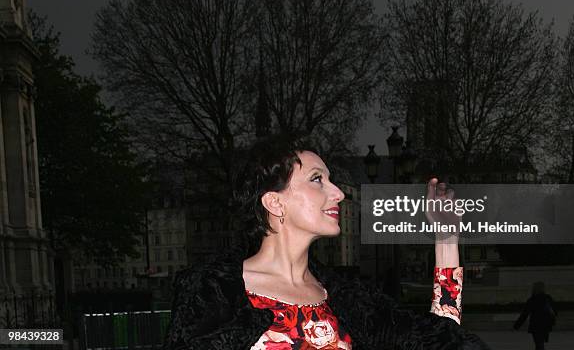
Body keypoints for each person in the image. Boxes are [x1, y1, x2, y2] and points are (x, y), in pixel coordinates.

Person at [163, 137, 490, 349]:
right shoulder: (215, 293)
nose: (338, 193)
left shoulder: (348, 300)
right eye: (318, 179)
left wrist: (446, 239)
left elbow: (439, 338)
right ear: (275, 203)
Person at [514, 281, 556, 350]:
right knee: (540, 344)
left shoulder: (532, 300)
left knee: (539, 344)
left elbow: (524, 314)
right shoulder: (548, 298)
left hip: (536, 325)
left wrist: (516, 326)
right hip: (545, 325)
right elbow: (554, 311)